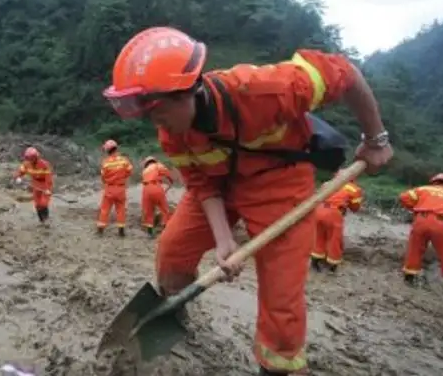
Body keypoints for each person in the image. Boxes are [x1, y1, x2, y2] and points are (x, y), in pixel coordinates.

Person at [102, 26, 392, 375]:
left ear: (184, 93)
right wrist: (224, 239)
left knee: (281, 300)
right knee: (172, 251)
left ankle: (279, 367)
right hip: (219, 188)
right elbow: (201, 185)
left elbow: (344, 72)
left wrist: (376, 139)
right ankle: (171, 313)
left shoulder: (267, 90)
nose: (155, 123)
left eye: (156, 110)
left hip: (278, 186)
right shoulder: (172, 134)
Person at [399, 173, 443, 294]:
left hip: (422, 220)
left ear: (435, 181)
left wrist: (417, 208)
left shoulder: (424, 189)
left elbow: (404, 197)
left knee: (414, 250)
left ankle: (409, 278)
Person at [310, 173, 364, 272]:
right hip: (334, 213)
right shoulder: (354, 189)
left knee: (319, 236)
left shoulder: (328, 183)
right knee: (334, 239)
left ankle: (315, 262)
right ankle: (332, 265)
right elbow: (355, 207)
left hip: (318, 210)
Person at [97, 140, 133, 236]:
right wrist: (122, 177)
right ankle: (121, 229)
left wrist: (108, 181)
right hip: (121, 188)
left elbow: (103, 177)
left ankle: (100, 229)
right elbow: (129, 171)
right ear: (116, 148)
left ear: (107, 150)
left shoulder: (105, 162)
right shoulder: (124, 160)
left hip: (110, 188)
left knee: (105, 209)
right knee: (121, 209)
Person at [14, 147, 54, 226]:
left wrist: (47, 189)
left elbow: (48, 178)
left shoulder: (44, 164)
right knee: (37, 204)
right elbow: (21, 171)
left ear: (36, 157)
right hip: (35, 183)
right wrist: (18, 177)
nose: (29, 161)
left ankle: (46, 219)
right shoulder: (26, 164)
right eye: (28, 159)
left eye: (31, 159)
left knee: (43, 203)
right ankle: (41, 221)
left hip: (45, 184)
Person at [141, 156, 174, 237]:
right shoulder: (157, 165)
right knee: (164, 209)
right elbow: (167, 173)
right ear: (154, 161)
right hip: (156, 187)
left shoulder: (145, 170)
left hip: (146, 189)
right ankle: (165, 229)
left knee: (148, 210)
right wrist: (171, 180)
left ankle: (149, 233)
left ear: (146, 163)